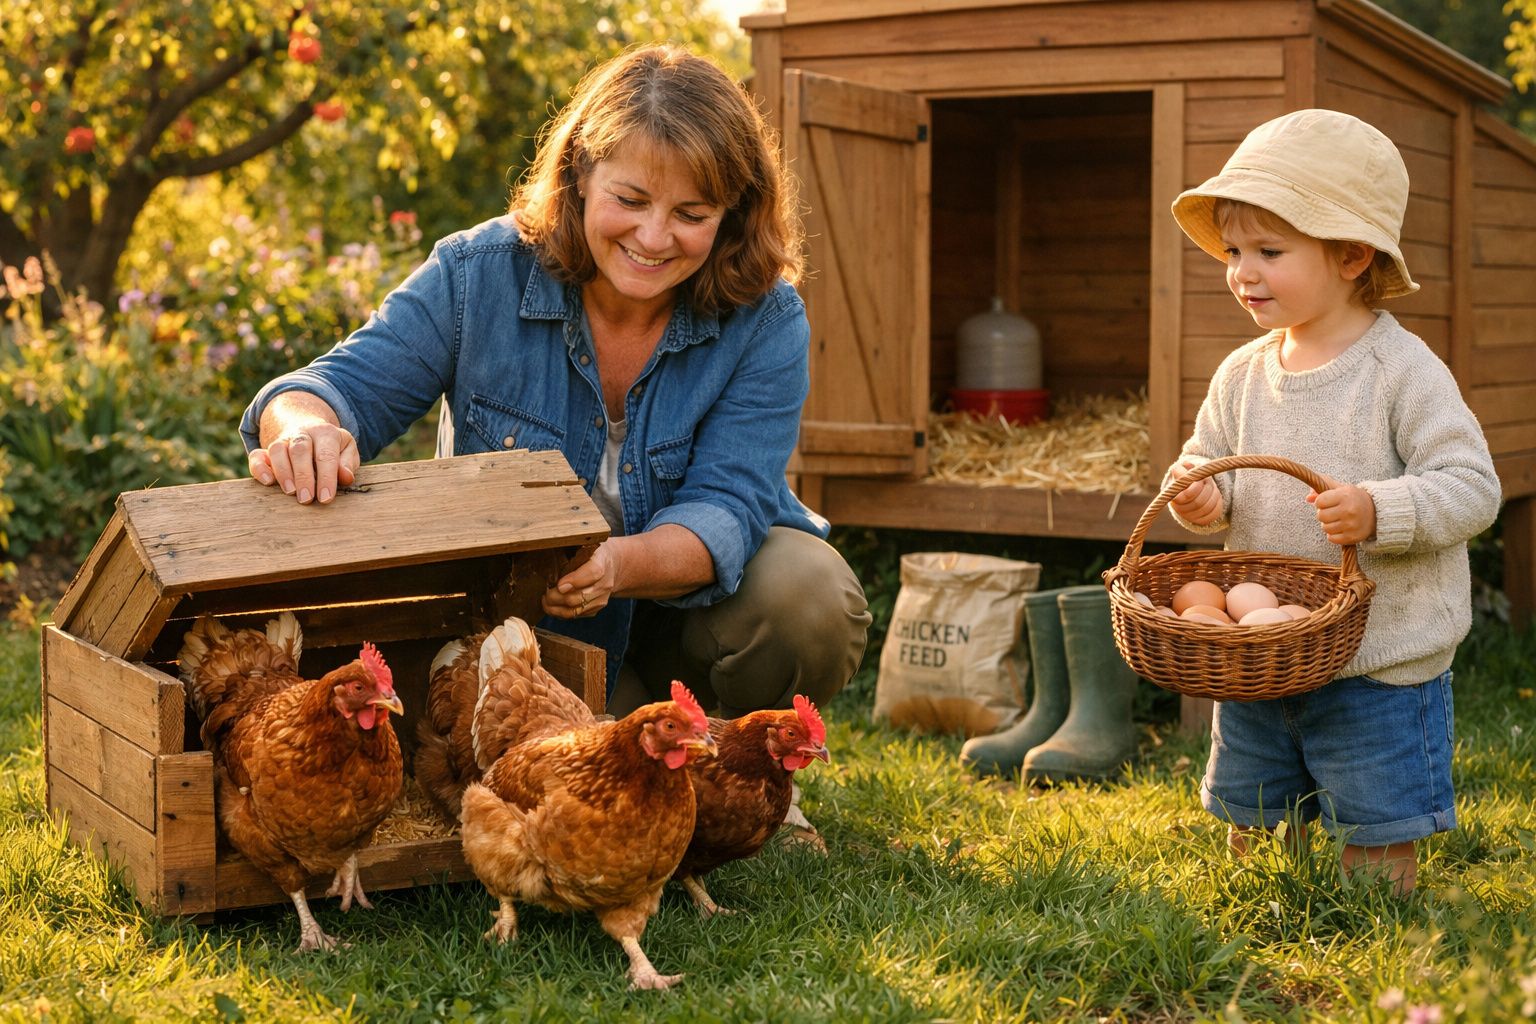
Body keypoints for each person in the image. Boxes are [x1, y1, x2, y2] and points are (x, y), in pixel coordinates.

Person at [240, 45, 871, 738]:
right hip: (528, 630)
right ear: (577, 177)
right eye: (629, 200)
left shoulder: (764, 318)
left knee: (809, 597)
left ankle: (747, 752)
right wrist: (302, 427)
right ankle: (668, 747)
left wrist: (616, 566)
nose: (654, 237)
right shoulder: (477, 276)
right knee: (598, 773)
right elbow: (331, 387)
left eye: (691, 213)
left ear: (733, 214)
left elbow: (729, 505)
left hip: (685, 620)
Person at [1164, 109, 1501, 894]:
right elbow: (1202, 460)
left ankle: (1374, 916)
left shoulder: (1400, 369)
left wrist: (1382, 511)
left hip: (1377, 664)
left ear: (1351, 255)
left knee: (1377, 830)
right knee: (1251, 817)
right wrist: (1200, 496)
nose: (1242, 272)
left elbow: (1472, 485)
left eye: (1269, 252)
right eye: (1235, 251)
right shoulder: (1241, 372)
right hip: (1260, 658)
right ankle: (1259, 905)